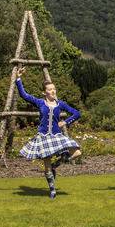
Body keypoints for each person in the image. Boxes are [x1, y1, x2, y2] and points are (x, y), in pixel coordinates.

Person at [15, 67, 82, 199]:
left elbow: (77, 113)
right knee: (46, 165)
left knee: (77, 152)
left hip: (57, 135)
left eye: (54, 89)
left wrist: (66, 122)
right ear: (44, 92)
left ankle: (55, 165)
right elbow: (24, 95)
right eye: (50, 89)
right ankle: (52, 189)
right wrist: (18, 78)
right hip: (44, 136)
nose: (53, 91)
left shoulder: (60, 104)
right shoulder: (40, 103)